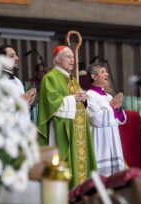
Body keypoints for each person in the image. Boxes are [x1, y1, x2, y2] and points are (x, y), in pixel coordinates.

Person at [37, 45, 96, 188]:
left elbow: (79, 99)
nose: (73, 60)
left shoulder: (72, 79)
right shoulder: (50, 78)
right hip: (63, 129)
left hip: (79, 129)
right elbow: (52, 103)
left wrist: (83, 97)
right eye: (69, 57)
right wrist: (73, 98)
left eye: (73, 57)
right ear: (57, 60)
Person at [86, 63, 127, 176]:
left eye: (106, 71)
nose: (106, 74)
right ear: (94, 76)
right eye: (102, 72)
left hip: (113, 140)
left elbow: (121, 120)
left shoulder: (109, 97)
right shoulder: (89, 95)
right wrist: (112, 107)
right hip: (100, 141)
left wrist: (118, 109)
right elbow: (96, 119)